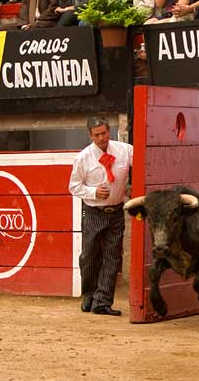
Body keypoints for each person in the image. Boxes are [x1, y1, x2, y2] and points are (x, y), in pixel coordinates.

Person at [68, 116, 133, 316]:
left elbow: (143, 163)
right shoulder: (83, 157)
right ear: (90, 136)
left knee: (112, 257)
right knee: (89, 256)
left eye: (104, 133)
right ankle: (90, 293)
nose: (102, 138)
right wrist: (93, 192)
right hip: (94, 211)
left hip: (115, 211)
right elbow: (74, 187)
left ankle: (102, 301)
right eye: (97, 135)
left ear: (109, 131)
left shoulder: (125, 150)